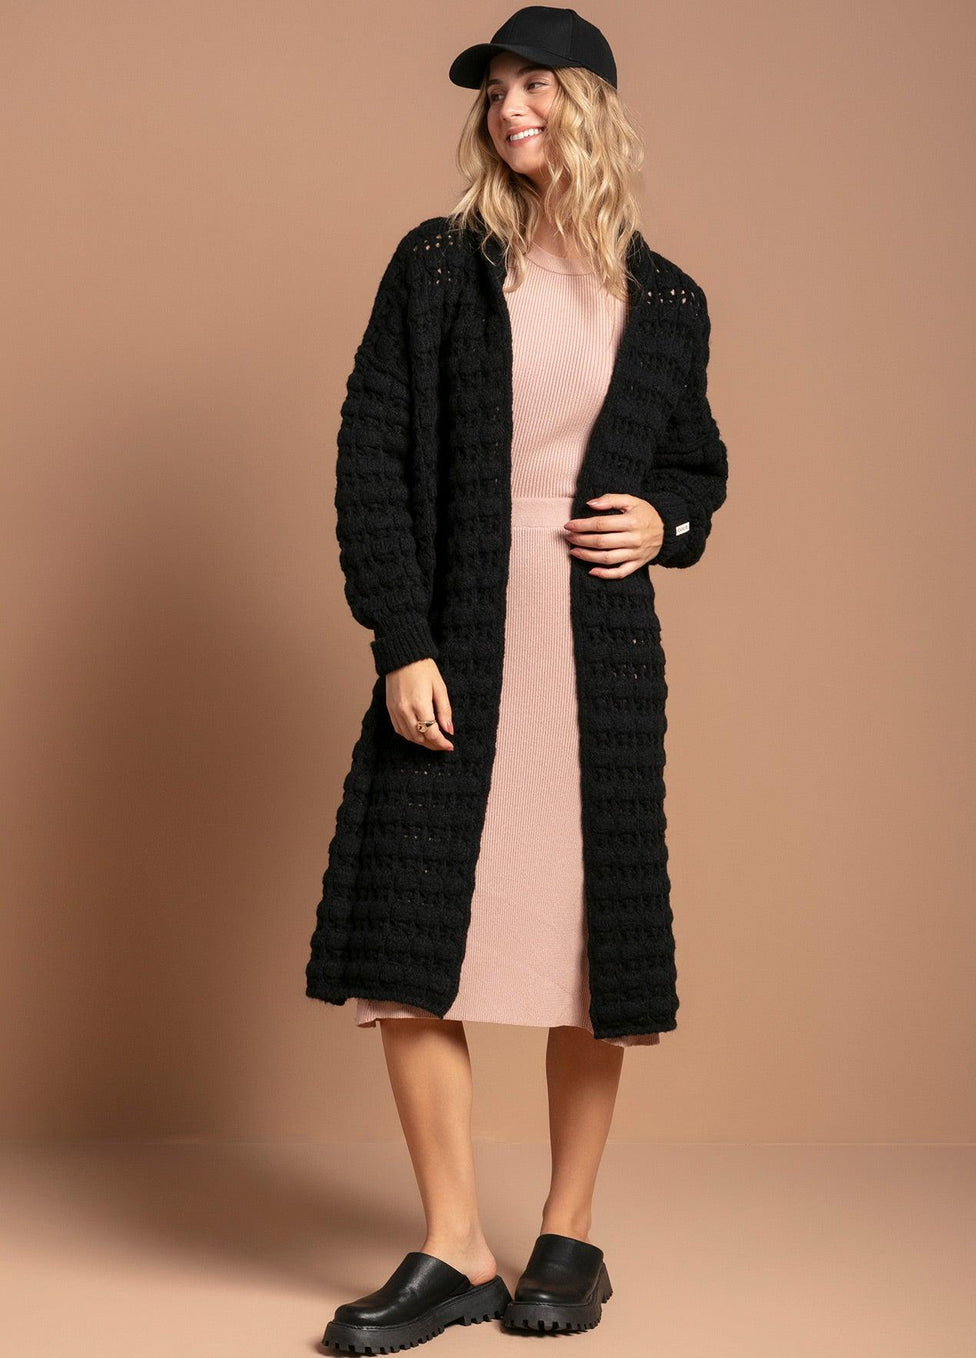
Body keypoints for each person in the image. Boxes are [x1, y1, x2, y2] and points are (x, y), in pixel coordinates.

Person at [310, 7, 729, 1351]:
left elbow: (698, 464)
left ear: (590, 103)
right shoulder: (439, 266)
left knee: (590, 952)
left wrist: (665, 519)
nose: (509, 109)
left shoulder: (667, 300)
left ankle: (569, 1236)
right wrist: (402, 638)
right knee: (406, 952)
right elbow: (371, 456)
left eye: (535, 84)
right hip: (462, 634)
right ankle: (453, 1245)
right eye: (494, 90)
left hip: (594, 653)